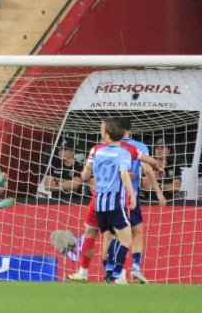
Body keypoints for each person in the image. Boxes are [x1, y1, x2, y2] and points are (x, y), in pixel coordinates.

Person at [68, 119, 162, 283]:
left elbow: (84, 176)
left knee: (99, 235)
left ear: (106, 132)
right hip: (118, 201)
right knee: (123, 237)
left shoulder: (96, 150)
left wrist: (84, 175)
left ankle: (85, 272)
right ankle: (119, 274)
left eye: (102, 128)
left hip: (97, 201)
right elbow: (149, 163)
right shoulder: (130, 150)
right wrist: (158, 168)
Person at [87, 119, 136, 284]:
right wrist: (133, 195)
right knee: (127, 240)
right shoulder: (124, 153)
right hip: (115, 202)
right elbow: (123, 175)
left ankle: (108, 270)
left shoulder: (99, 152)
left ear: (106, 134)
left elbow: (94, 175)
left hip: (100, 204)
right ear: (123, 135)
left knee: (113, 237)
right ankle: (115, 275)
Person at [116, 119, 166, 284]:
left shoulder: (108, 146)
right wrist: (159, 193)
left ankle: (117, 271)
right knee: (137, 233)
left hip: (112, 196)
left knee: (115, 234)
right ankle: (135, 267)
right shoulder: (139, 147)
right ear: (130, 130)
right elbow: (148, 170)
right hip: (131, 196)